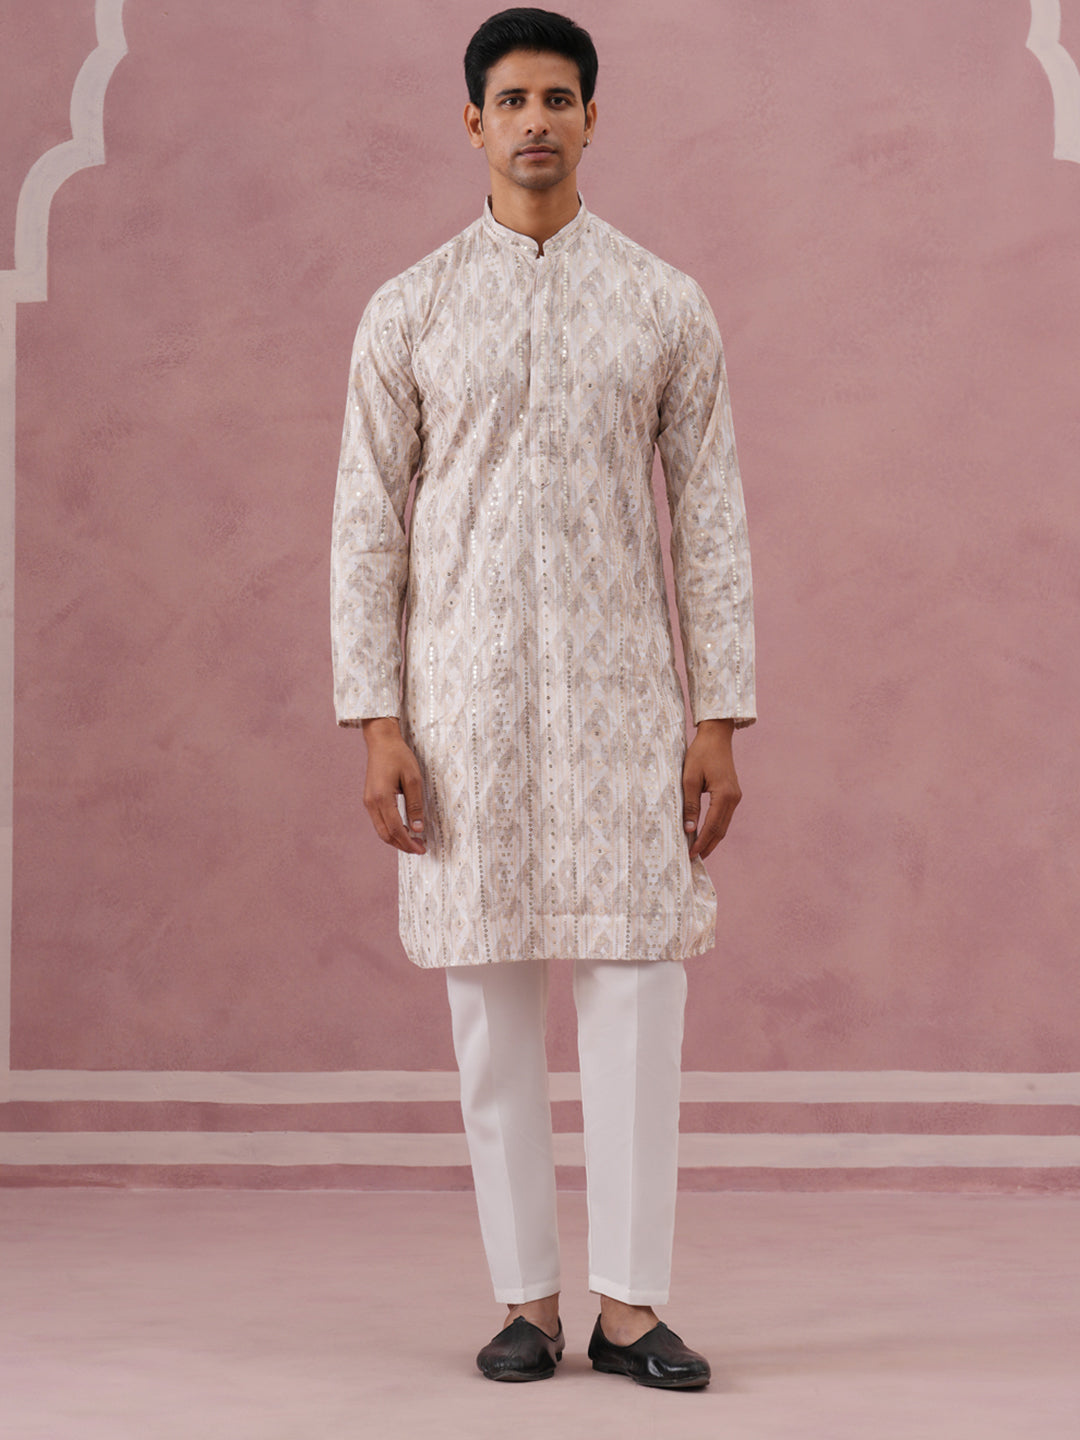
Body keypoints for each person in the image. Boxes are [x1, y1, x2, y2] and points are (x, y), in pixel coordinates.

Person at [331, 7, 755, 1389]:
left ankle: (631, 1309)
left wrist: (718, 716)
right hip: (465, 710)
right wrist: (380, 720)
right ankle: (526, 1300)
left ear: (591, 118)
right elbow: (366, 530)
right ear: (473, 122)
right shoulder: (410, 309)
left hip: (628, 704)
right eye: (511, 99)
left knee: (637, 999)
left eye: (558, 98)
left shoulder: (662, 302)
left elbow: (710, 521)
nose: (535, 121)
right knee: (492, 1016)